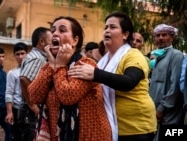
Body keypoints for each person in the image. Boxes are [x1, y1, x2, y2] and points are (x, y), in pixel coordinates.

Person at [67, 12, 157, 141]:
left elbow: (128, 82)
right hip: (113, 127)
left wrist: (95, 74)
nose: (107, 31)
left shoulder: (134, 55)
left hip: (137, 129)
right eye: (106, 27)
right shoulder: (105, 60)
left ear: (125, 34)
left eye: (112, 27)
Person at [28, 16, 112, 141]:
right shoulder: (49, 66)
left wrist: (60, 66)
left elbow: (68, 95)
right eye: (53, 31)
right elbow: (34, 96)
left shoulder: (86, 64)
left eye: (62, 30)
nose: (55, 33)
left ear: (75, 40)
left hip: (88, 136)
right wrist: (52, 66)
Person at [149, 24, 184, 141]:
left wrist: (161, 109)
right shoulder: (157, 56)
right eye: (157, 35)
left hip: (169, 113)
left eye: (164, 35)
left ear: (172, 37)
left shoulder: (176, 55)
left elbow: (175, 87)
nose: (160, 38)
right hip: (155, 111)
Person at [19, 27, 51, 140]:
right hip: (31, 112)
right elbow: (24, 79)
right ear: (42, 42)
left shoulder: (35, 56)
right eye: (51, 41)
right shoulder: (38, 58)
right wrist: (32, 105)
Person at [5, 42, 28, 141]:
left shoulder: (34, 70)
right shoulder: (12, 73)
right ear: (14, 56)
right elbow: (9, 93)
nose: (20, 56)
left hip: (31, 109)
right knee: (17, 136)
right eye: (17, 54)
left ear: (27, 54)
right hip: (17, 109)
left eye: (22, 53)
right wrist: (9, 112)